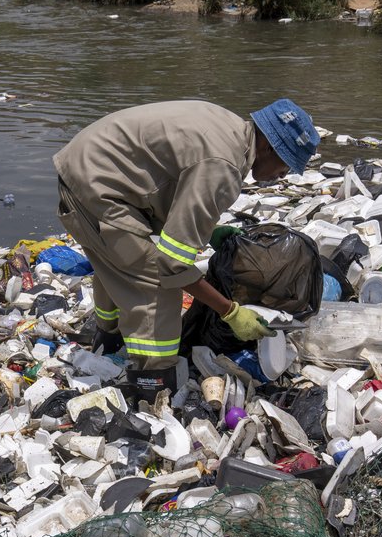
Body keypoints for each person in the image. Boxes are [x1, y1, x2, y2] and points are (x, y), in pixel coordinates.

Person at [53, 98, 320, 400]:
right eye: (286, 164)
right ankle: (153, 383)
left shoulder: (230, 129)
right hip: (96, 187)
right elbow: (172, 266)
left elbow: (170, 184)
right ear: (270, 147)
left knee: (119, 261)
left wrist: (209, 232)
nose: (283, 175)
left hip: (92, 166)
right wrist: (230, 312)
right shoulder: (223, 166)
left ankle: (109, 339)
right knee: (153, 284)